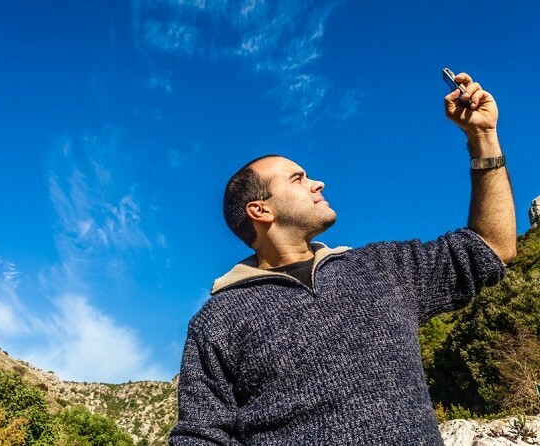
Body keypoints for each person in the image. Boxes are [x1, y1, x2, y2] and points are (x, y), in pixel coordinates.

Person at [169, 72, 516, 445]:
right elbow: (201, 436)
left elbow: (491, 246)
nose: (318, 183)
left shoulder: (384, 268)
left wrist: (482, 137)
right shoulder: (217, 320)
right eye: (298, 179)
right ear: (261, 210)